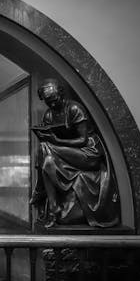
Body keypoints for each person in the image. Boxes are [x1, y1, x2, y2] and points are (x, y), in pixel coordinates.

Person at [30, 78, 119, 228]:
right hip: (66, 152)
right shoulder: (49, 115)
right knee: (48, 160)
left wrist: (56, 140)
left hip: (88, 152)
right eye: (47, 101)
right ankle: (53, 207)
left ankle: (40, 191)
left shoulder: (74, 109)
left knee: (45, 148)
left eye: (54, 99)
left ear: (61, 94)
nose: (51, 104)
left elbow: (83, 140)